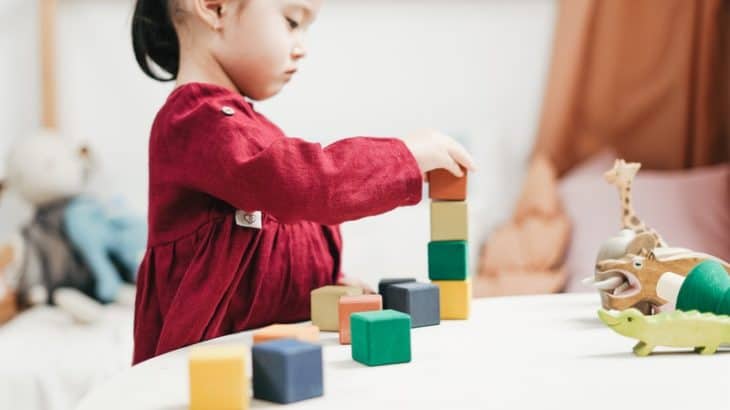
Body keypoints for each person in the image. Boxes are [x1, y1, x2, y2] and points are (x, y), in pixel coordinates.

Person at [130, 0, 475, 364]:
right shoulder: (195, 121)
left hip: (274, 355)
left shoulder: (245, 129)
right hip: (205, 366)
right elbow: (304, 186)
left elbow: (274, 249)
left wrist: (329, 288)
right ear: (215, 8)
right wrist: (405, 155)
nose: (302, 47)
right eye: (292, 22)